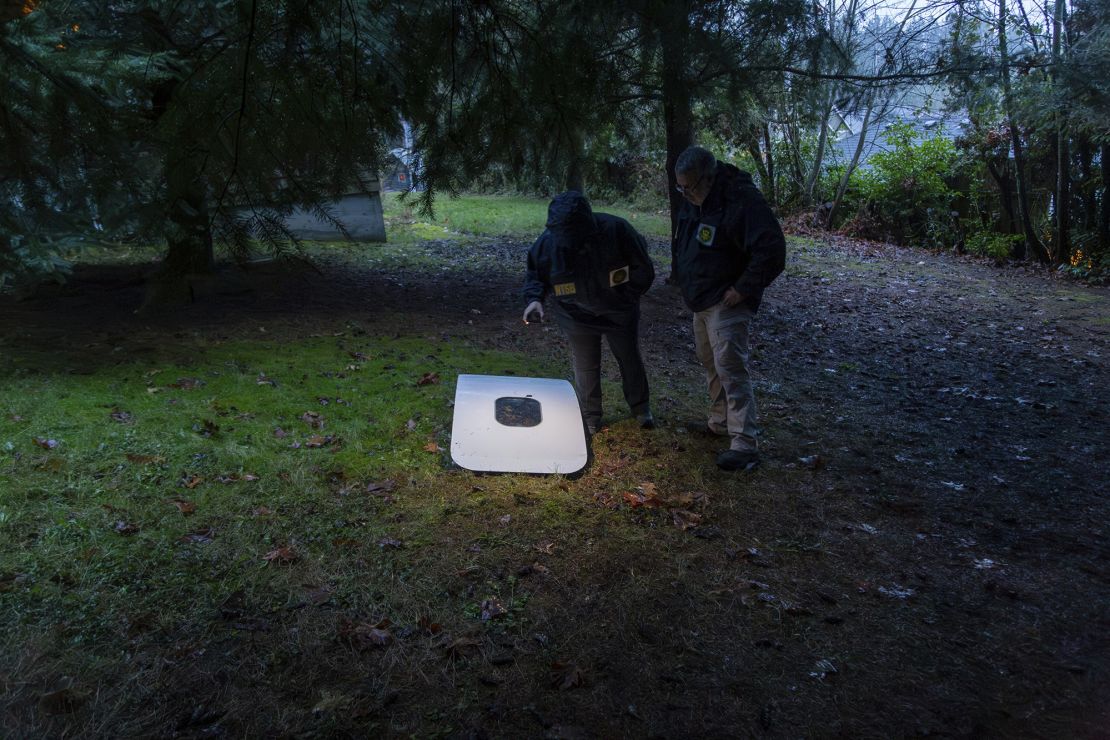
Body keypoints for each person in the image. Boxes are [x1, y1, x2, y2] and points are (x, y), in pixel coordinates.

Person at [670, 146, 785, 471]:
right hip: (702, 299)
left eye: (689, 187)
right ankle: (720, 422)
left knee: (730, 367)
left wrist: (744, 288)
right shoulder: (695, 198)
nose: (685, 194)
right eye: (681, 187)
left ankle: (744, 443)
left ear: (708, 178)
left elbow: (772, 250)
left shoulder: (741, 201)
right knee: (710, 362)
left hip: (726, 299)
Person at [523, 191, 655, 435]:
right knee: (585, 364)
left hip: (619, 312)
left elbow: (643, 270)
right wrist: (534, 301)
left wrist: (624, 297)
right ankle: (591, 417)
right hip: (575, 315)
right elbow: (536, 277)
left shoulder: (617, 231)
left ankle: (640, 408)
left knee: (628, 358)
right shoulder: (548, 244)